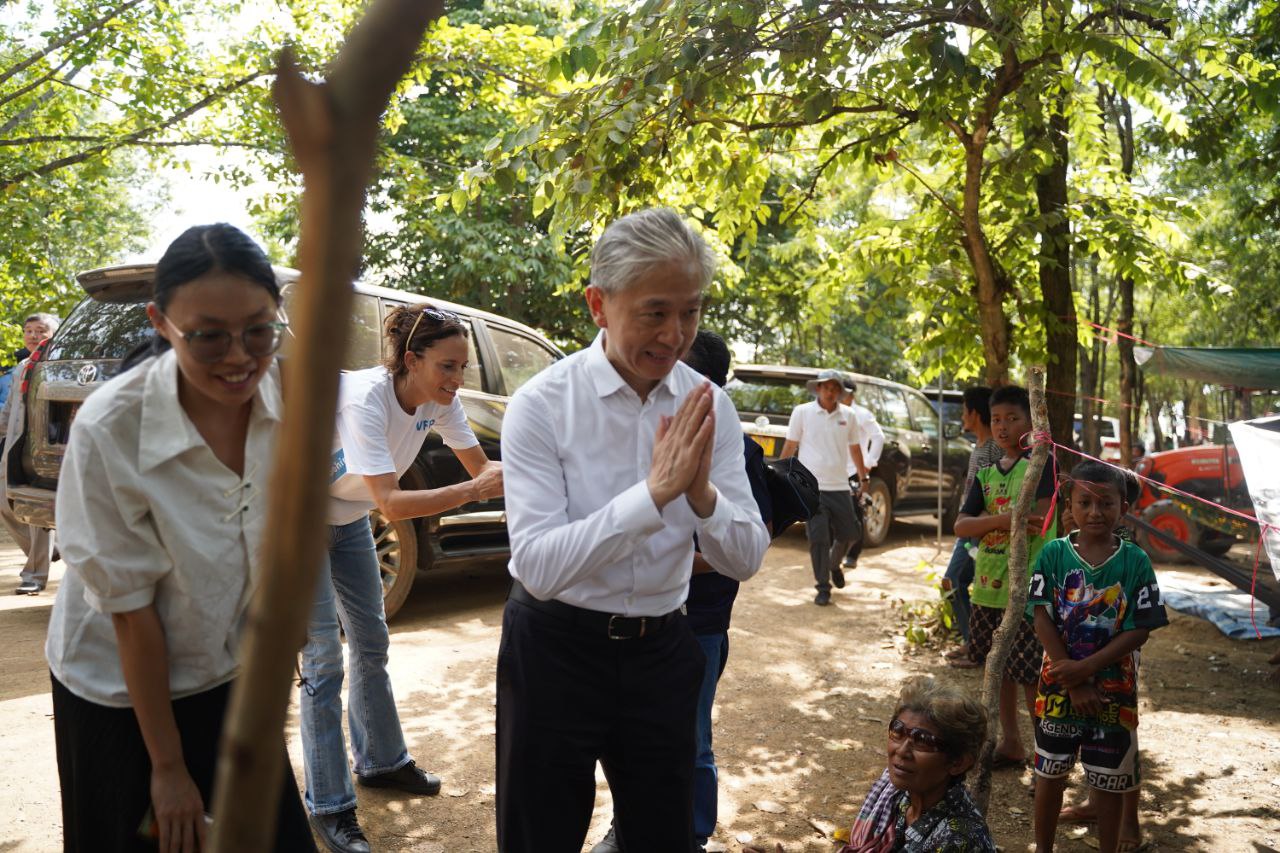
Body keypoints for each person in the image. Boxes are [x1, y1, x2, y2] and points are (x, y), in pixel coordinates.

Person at [496, 208, 770, 852]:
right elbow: (538, 565)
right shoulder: (542, 405)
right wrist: (653, 496)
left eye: (690, 312)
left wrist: (701, 495)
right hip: (554, 649)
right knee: (539, 835)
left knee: (662, 837)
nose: (674, 335)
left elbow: (745, 556)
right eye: (654, 313)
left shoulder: (709, 406)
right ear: (599, 304)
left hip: (661, 649)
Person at [44, 223, 314, 852]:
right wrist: (166, 768)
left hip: (227, 666)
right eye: (209, 337)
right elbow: (132, 615)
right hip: (119, 690)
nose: (239, 358)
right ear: (161, 323)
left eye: (258, 330)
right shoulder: (112, 429)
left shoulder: (293, 395)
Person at [301, 302, 503, 853]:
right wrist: (472, 492)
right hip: (294, 519)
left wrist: (547, 476)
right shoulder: (365, 399)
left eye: (462, 368)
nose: (457, 380)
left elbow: (483, 470)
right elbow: (391, 503)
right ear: (411, 360)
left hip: (347, 518)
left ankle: (382, 761)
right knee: (323, 661)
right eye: (447, 367)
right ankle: (329, 805)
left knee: (372, 642)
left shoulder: (441, 401)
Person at [591, 330, 773, 853]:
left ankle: (692, 833)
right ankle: (626, 827)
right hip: (636, 616)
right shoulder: (637, 436)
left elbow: (748, 543)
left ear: (708, 388)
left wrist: (668, 558)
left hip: (701, 620)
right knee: (628, 736)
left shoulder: (737, 449)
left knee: (691, 737)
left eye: (677, 373)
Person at [1032, 462, 1163, 853]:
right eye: (1084, 502)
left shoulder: (1135, 561)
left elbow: (1141, 627)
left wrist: (1086, 669)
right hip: (1058, 687)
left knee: (1108, 780)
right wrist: (1074, 681)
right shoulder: (1053, 554)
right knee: (1049, 774)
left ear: (1123, 508)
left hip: (1112, 690)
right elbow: (1040, 615)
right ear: (1069, 506)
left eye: (1106, 503)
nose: (1095, 512)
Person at [953, 384, 1057, 768]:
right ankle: (1011, 743)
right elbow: (961, 526)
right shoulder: (986, 474)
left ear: (1031, 423)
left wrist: (990, 521)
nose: (1002, 426)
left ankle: (1046, 757)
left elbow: (1040, 519)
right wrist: (1002, 520)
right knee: (998, 668)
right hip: (988, 586)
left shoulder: (1041, 466)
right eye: (997, 419)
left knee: (1030, 673)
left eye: (1013, 418)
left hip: (1027, 588)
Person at [780, 368, 868, 605]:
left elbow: (855, 449)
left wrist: (864, 479)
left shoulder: (849, 415)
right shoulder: (802, 412)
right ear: (818, 388)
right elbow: (790, 445)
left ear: (840, 392)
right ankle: (823, 587)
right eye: (826, 387)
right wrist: (780, 477)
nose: (830, 392)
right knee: (818, 538)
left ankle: (833, 564)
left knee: (851, 533)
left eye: (834, 388)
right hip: (811, 487)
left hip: (839, 486)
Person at [942, 386, 1002, 664]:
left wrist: (979, 526)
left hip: (980, 532)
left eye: (964, 411)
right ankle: (974, 643)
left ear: (975, 414)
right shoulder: (978, 447)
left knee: (957, 581)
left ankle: (977, 648)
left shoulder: (993, 449)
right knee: (954, 582)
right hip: (969, 529)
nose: (962, 416)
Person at [1, 314, 60, 594]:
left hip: (42, 448)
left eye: (41, 331)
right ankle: (53, 549)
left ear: (55, 335)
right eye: (29, 331)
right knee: (4, 502)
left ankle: (35, 574)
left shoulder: (57, 366)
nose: (33, 336)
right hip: (15, 445)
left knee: (36, 509)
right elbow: (9, 411)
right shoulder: (22, 367)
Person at [839, 375, 884, 571]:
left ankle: (852, 555)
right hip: (835, 471)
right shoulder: (833, 413)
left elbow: (878, 437)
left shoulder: (862, 415)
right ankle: (835, 552)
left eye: (845, 393)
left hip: (855, 472)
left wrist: (868, 463)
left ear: (852, 394)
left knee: (855, 514)